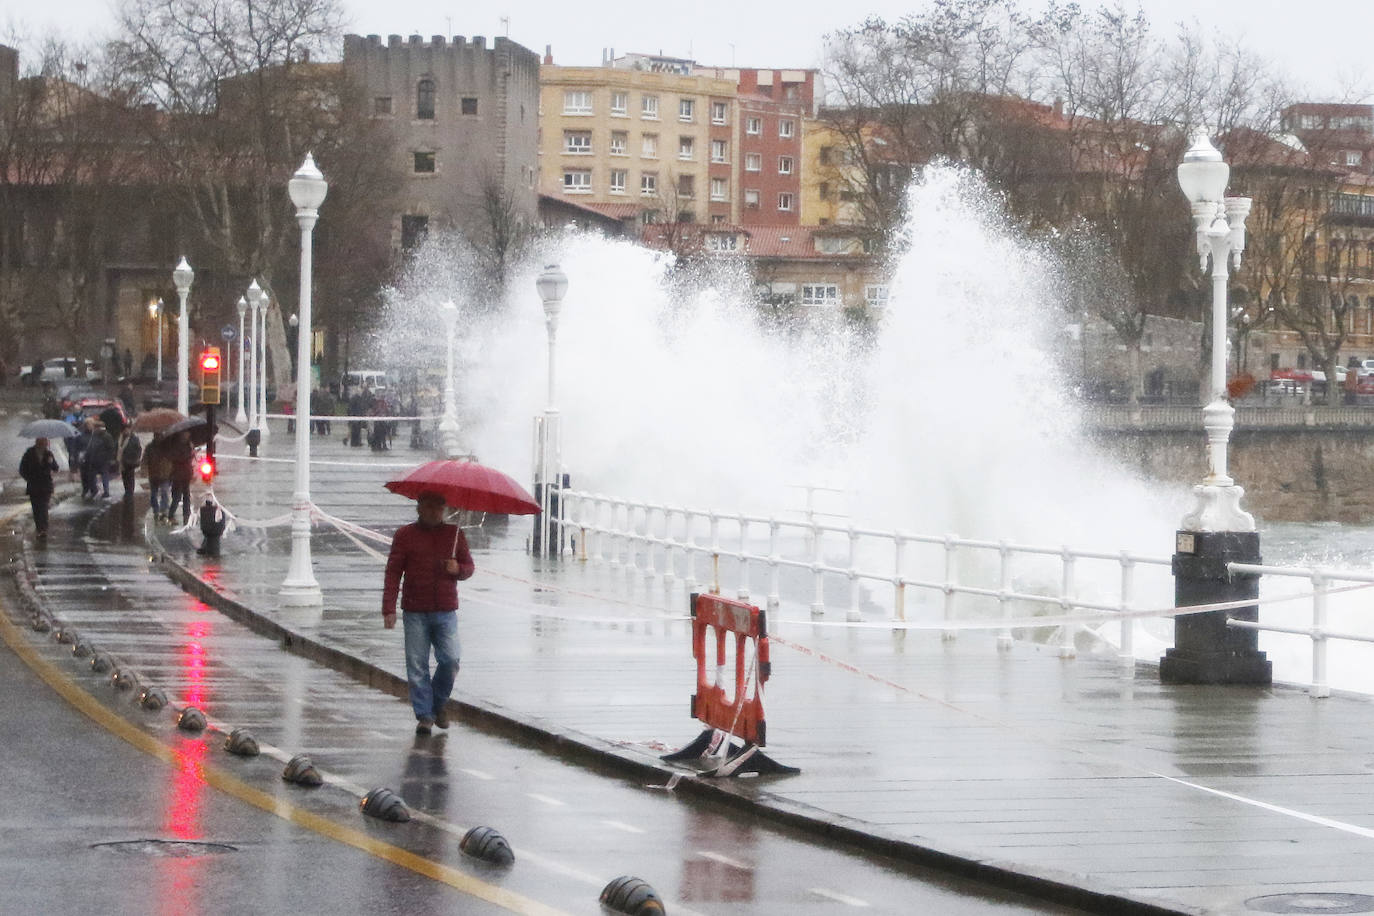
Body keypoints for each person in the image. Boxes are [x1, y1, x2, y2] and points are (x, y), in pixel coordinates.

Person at [382, 492, 475, 735]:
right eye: (429, 507)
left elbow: (469, 568)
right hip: (415, 610)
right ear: (419, 508)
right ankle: (425, 715)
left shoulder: (455, 535)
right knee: (417, 665)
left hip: (445, 610)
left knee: (451, 660)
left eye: (439, 508)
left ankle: (438, 701)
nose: (435, 512)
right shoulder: (405, 536)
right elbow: (393, 573)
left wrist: (458, 569)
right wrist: (389, 608)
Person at [19, 438, 61, 540]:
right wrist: (28, 478)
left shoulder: (48, 454)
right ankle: (39, 528)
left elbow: (56, 468)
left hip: (46, 485)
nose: (45, 445)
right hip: (33, 485)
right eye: (43, 443)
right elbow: (22, 469)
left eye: (46, 443)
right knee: (36, 508)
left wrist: (51, 462)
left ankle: (43, 529)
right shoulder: (29, 453)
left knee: (43, 507)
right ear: (38, 443)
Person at [83, 420, 117, 499]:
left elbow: (111, 448)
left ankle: (102, 491)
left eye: (95, 427)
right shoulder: (98, 435)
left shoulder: (103, 436)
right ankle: (100, 491)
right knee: (99, 476)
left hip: (100, 460)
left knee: (102, 476)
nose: (94, 429)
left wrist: (109, 458)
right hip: (98, 460)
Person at [166, 431, 194, 525]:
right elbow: (177, 458)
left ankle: (186, 516)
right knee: (177, 497)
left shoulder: (188, 445)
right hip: (177, 475)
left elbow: (188, 459)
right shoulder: (175, 445)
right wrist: (189, 454)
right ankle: (170, 515)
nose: (187, 435)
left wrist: (192, 451)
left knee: (186, 496)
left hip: (186, 474)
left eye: (188, 433)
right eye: (185, 433)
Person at [144, 432, 173, 522]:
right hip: (154, 474)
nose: (158, 438)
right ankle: (156, 510)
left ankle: (163, 509)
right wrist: (144, 469)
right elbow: (145, 459)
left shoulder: (167, 447)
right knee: (153, 494)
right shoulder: (149, 447)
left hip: (165, 474)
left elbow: (172, 458)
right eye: (157, 436)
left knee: (164, 492)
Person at [119, 430, 143, 504]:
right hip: (123, 461)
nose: (126, 431)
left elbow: (139, 448)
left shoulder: (134, 438)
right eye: (125, 429)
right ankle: (127, 490)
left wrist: (137, 457)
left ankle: (130, 492)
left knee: (130, 476)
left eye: (127, 429)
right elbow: (118, 448)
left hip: (131, 460)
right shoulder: (121, 438)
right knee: (124, 476)